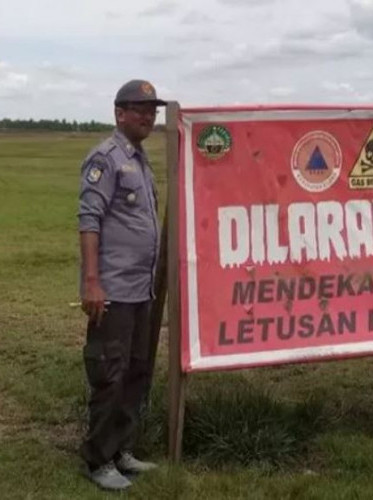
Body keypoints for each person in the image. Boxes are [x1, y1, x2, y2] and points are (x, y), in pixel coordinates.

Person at [78, 79, 166, 491]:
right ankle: (97, 460)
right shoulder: (106, 158)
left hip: (140, 291)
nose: (148, 116)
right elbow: (89, 220)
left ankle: (121, 450)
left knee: (135, 371)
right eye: (139, 108)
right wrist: (92, 282)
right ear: (119, 113)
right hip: (112, 292)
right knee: (109, 374)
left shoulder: (141, 159)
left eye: (152, 109)